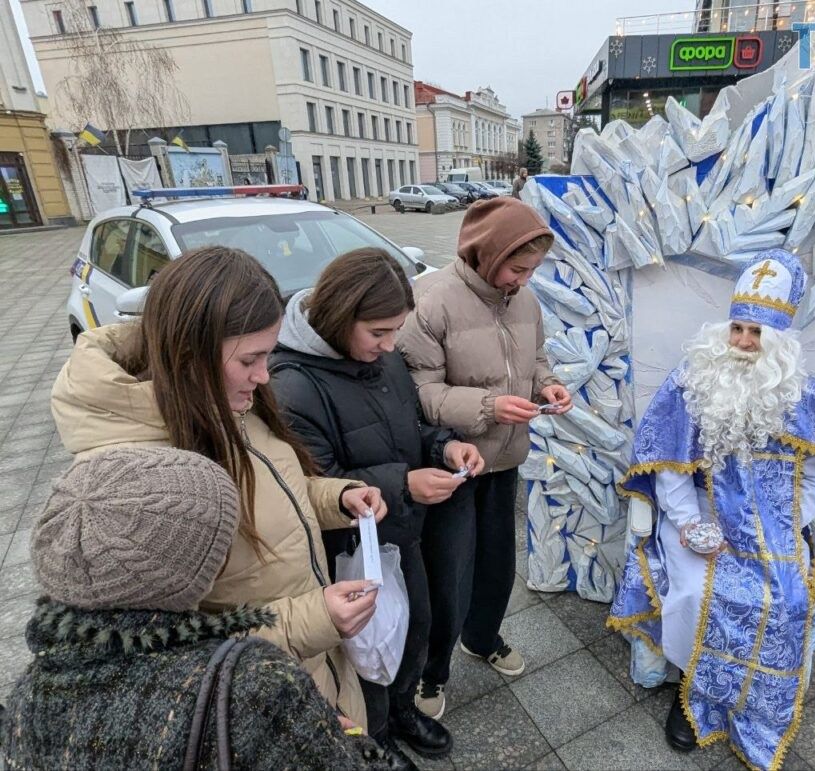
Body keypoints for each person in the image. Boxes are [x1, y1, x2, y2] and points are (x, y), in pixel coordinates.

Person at [49, 247, 387, 730]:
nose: (265, 375)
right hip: (259, 703)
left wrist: (335, 497)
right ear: (190, 354)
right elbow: (166, 651)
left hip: (314, 669)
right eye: (251, 358)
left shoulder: (220, 396)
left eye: (268, 354)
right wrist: (311, 620)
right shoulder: (134, 484)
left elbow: (269, 486)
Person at [607, 249, 815, 771]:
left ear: (779, 342)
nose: (742, 343)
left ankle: (755, 708)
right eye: (737, 328)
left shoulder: (806, 400)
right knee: (699, 590)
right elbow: (669, 467)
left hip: (774, 526)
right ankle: (693, 691)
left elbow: (814, 479)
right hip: (698, 514)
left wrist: (785, 526)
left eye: (755, 334)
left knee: (783, 600)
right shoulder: (692, 382)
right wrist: (691, 522)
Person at [0, 446, 389, 770]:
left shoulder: (25, 703)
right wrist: (352, 740)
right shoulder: (250, 687)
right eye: (219, 549)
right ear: (186, 578)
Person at [270, 248, 485, 768]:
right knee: (366, 647)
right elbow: (316, 482)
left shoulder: (382, 358)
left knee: (416, 625)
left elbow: (409, 429)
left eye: (396, 332)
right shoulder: (293, 383)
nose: (391, 345)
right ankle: (376, 735)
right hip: (350, 546)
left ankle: (404, 709)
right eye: (379, 332)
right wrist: (403, 484)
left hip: (402, 529)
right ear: (342, 317)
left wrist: (442, 446)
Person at [397, 197, 572, 719]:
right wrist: (490, 406)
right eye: (518, 268)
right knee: (448, 571)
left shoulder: (525, 301)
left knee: (498, 564)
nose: (524, 279)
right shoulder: (430, 301)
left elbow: (537, 360)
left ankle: (482, 635)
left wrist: (551, 385)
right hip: (452, 462)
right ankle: (430, 672)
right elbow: (418, 393)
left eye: (533, 270)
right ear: (486, 253)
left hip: (506, 458)